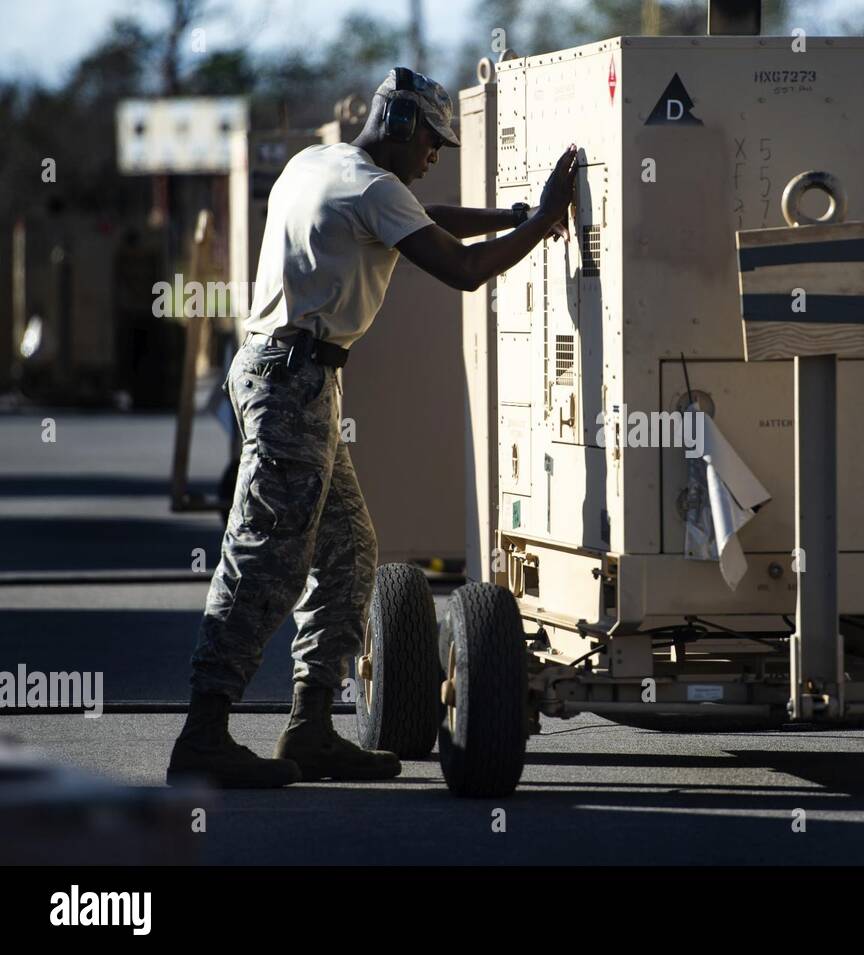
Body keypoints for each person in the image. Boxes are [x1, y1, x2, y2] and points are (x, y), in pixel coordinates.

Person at [167, 67, 579, 788]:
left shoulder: (322, 165)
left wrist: (512, 215)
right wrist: (544, 221)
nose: (435, 154)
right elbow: (464, 270)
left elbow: (427, 218)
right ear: (399, 125)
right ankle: (204, 731)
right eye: (431, 139)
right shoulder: (370, 186)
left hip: (292, 377)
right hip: (293, 383)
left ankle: (313, 723)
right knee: (265, 557)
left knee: (350, 549)